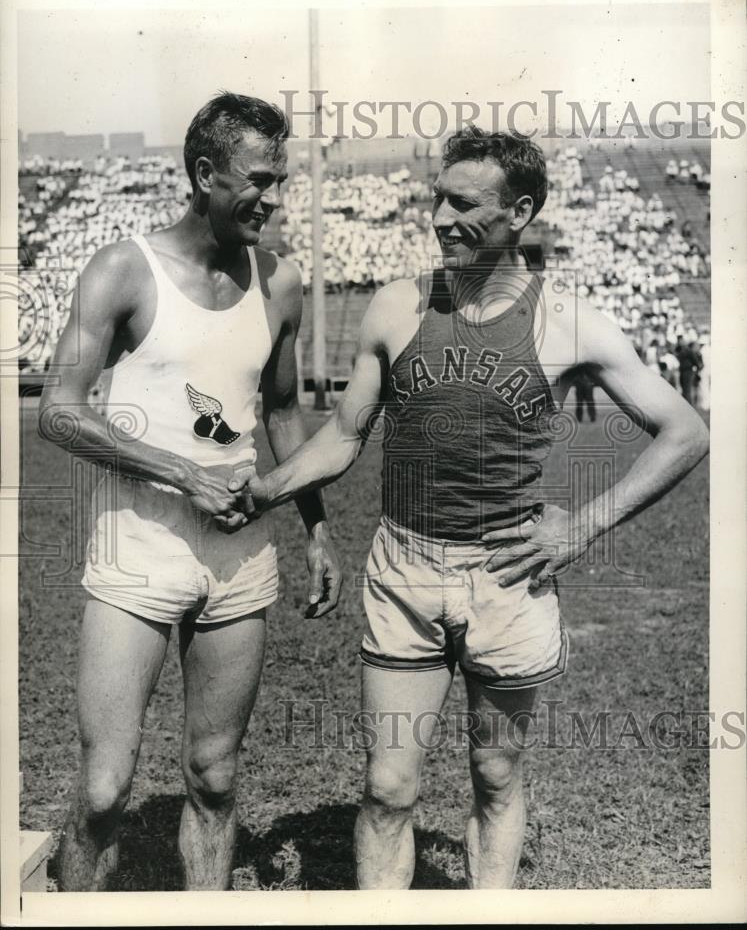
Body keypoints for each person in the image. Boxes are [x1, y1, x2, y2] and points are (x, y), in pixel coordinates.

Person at [238, 126, 710, 890]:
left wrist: (580, 526)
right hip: (404, 568)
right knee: (388, 787)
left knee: (495, 774)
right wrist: (269, 486)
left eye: (463, 204)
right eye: (436, 199)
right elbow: (343, 436)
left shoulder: (569, 321)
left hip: (508, 576)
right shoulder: (398, 306)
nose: (439, 218)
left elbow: (684, 432)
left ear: (519, 211)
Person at [38, 92, 342, 891]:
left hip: (240, 555)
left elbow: (280, 410)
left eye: (280, 181)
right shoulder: (122, 269)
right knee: (104, 790)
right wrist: (184, 473)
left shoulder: (277, 280)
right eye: (257, 180)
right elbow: (59, 414)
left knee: (214, 777)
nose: (272, 200)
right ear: (204, 173)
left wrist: (313, 527)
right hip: (136, 549)